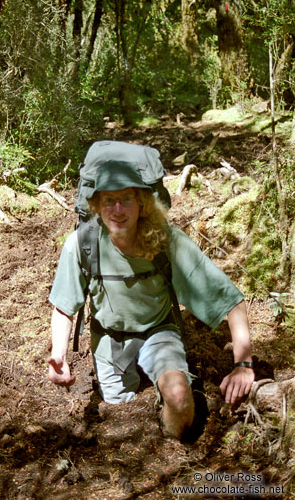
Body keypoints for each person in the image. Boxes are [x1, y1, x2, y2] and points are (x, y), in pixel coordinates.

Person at [48, 160, 255, 440]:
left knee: (180, 399)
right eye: (108, 200)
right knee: (117, 410)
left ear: (142, 202)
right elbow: (63, 308)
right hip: (109, 338)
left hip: (158, 330)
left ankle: (174, 441)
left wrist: (243, 364)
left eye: (126, 199)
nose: (117, 210)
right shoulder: (83, 244)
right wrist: (59, 355)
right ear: (96, 204)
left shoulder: (165, 241)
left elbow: (230, 300)